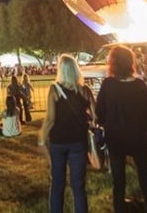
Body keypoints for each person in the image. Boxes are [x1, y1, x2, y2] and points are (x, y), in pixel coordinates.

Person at [96, 46, 147, 213]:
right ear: (130, 62)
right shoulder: (139, 85)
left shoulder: (108, 85)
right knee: (145, 180)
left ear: (112, 63)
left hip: (115, 138)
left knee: (118, 181)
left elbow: (99, 112)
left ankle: (119, 209)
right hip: (138, 137)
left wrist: (105, 123)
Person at [41, 53, 94, 213]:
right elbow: (96, 115)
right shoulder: (85, 91)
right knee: (78, 186)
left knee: (57, 184)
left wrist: (42, 135)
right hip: (78, 141)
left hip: (58, 141)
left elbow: (50, 118)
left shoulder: (54, 89)